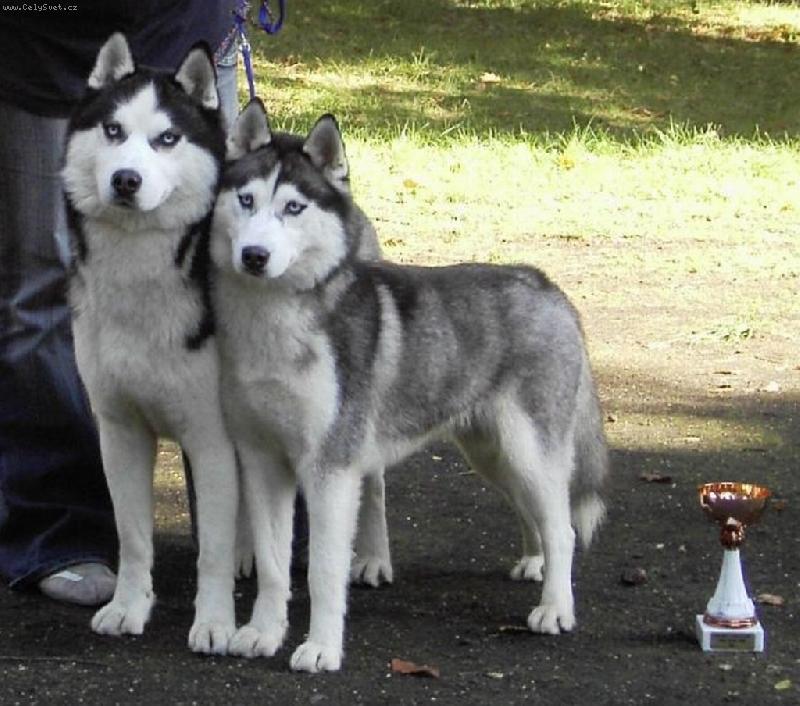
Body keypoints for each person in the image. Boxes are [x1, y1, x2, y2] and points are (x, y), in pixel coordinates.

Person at [0, 1, 241, 606]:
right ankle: (59, 530)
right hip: (38, 31)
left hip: (187, 19)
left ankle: (249, 527)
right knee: (41, 285)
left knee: (229, 276)